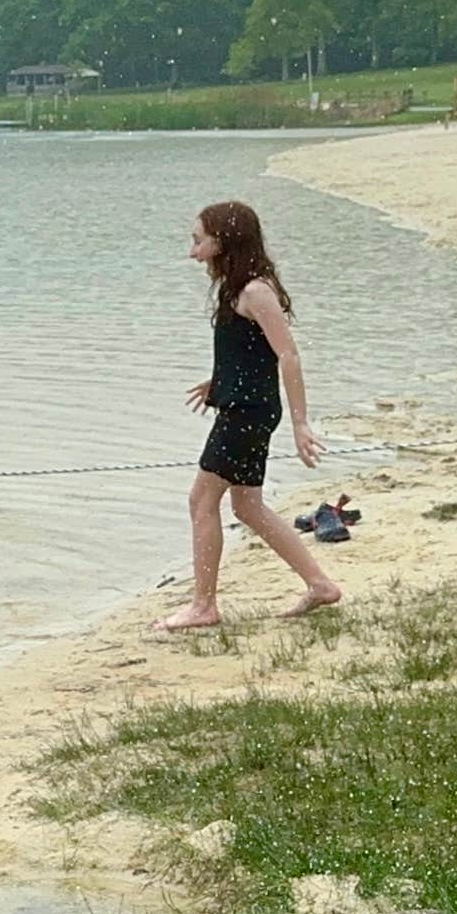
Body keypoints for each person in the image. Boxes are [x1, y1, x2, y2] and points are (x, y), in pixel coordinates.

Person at [159, 202, 343, 630]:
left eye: (198, 241)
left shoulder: (256, 291)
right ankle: (320, 585)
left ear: (224, 241)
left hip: (247, 414)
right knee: (247, 506)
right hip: (243, 405)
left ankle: (203, 606)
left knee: (201, 500)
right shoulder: (234, 288)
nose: (192, 252)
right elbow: (249, 351)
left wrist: (301, 423)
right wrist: (218, 381)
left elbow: (287, 355)